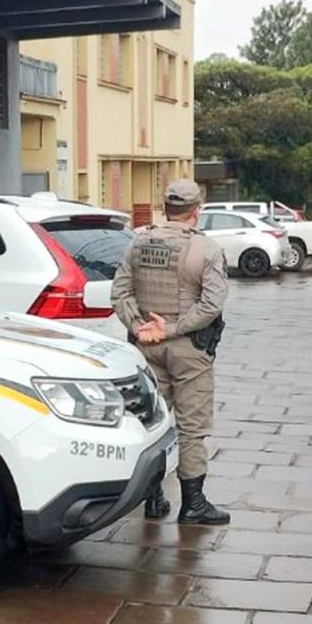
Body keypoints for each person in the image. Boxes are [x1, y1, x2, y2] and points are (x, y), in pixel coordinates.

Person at [112, 180, 230, 525]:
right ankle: (193, 504)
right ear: (197, 211)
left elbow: (120, 293)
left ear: (166, 208)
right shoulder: (205, 250)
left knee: (151, 422)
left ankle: (152, 499)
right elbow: (211, 304)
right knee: (191, 428)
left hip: (145, 347)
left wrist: (139, 327)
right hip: (189, 349)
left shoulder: (138, 242)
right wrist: (172, 328)